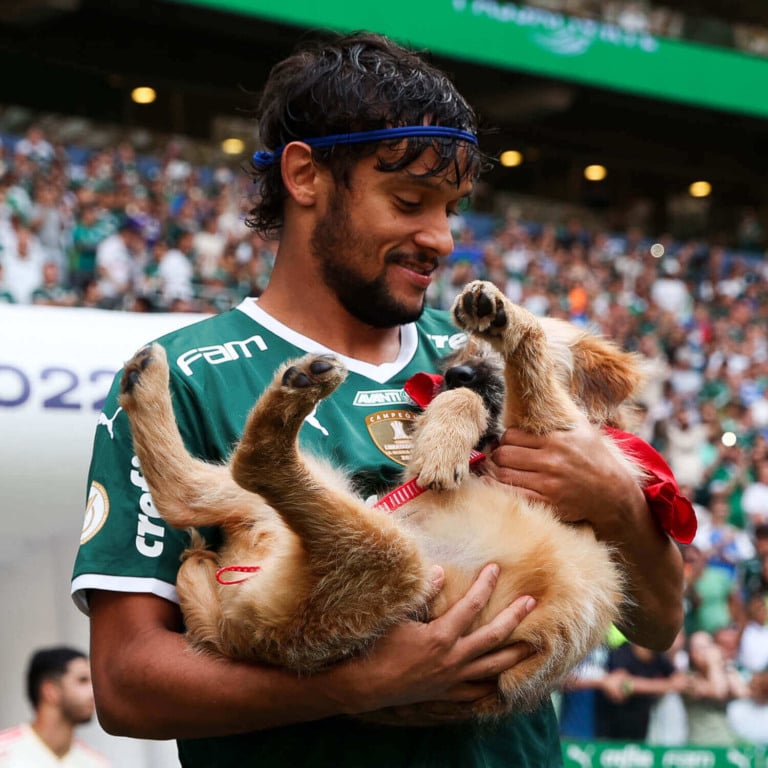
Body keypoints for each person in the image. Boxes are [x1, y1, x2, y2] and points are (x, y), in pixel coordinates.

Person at [71, 31, 684, 768]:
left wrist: (618, 502)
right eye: (409, 201)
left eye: (452, 207)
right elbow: (125, 682)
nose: (442, 237)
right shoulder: (186, 376)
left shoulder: (480, 351)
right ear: (305, 177)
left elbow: (657, 623)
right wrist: (353, 686)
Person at [0, 646, 110, 767]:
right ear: (50, 691)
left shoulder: (96, 763)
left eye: (93, 682)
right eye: (82, 680)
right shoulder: (4, 754)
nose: (94, 692)